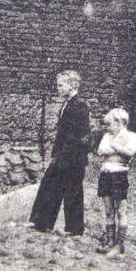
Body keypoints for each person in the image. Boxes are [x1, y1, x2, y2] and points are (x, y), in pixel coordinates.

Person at [28, 70, 91, 236]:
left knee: (73, 190)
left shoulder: (80, 105)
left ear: (72, 85)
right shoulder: (67, 103)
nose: (58, 88)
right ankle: (42, 223)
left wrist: (64, 156)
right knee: (50, 186)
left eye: (61, 85)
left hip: (73, 157)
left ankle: (74, 229)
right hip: (63, 155)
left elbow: (78, 135)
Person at [94, 107, 136, 258]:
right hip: (105, 173)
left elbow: (129, 152)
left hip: (119, 175)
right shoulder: (107, 135)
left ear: (120, 122)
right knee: (108, 210)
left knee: (121, 210)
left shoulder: (132, 136)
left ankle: (119, 244)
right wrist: (117, 149)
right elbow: (100, 151)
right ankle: (110, 241)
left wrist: (113, 147)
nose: (108, 127)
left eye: (110, 124)